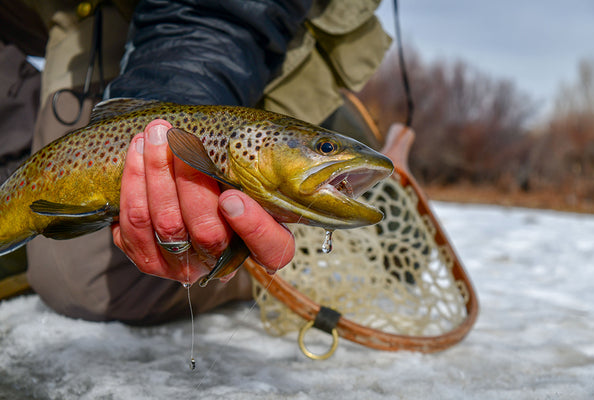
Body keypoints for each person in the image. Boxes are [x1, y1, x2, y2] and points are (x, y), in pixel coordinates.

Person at [0, 0, 391, 324]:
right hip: (52, 14)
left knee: (78, 282)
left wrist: (170, 101)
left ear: (248, 145)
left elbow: (222, 11)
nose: (325, 152)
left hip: (232, 17)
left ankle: (277, 257)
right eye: (325, 148)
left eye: (322, 148)